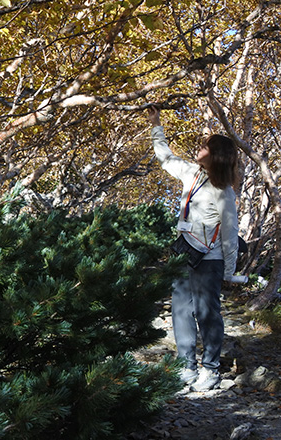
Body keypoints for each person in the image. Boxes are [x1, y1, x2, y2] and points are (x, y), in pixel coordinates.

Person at [147, 106, 240, 392]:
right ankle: (186, 367)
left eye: (204, 146)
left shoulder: (224, 192)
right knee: (180, 311)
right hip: (183, 253)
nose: (199, 148)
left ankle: (210, 369)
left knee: (207, 312)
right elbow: (165, 158)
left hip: (208, 260)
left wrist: (228, 270)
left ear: (215, 156)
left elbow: (230, 231)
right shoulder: (192, 174)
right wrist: (155, 124)